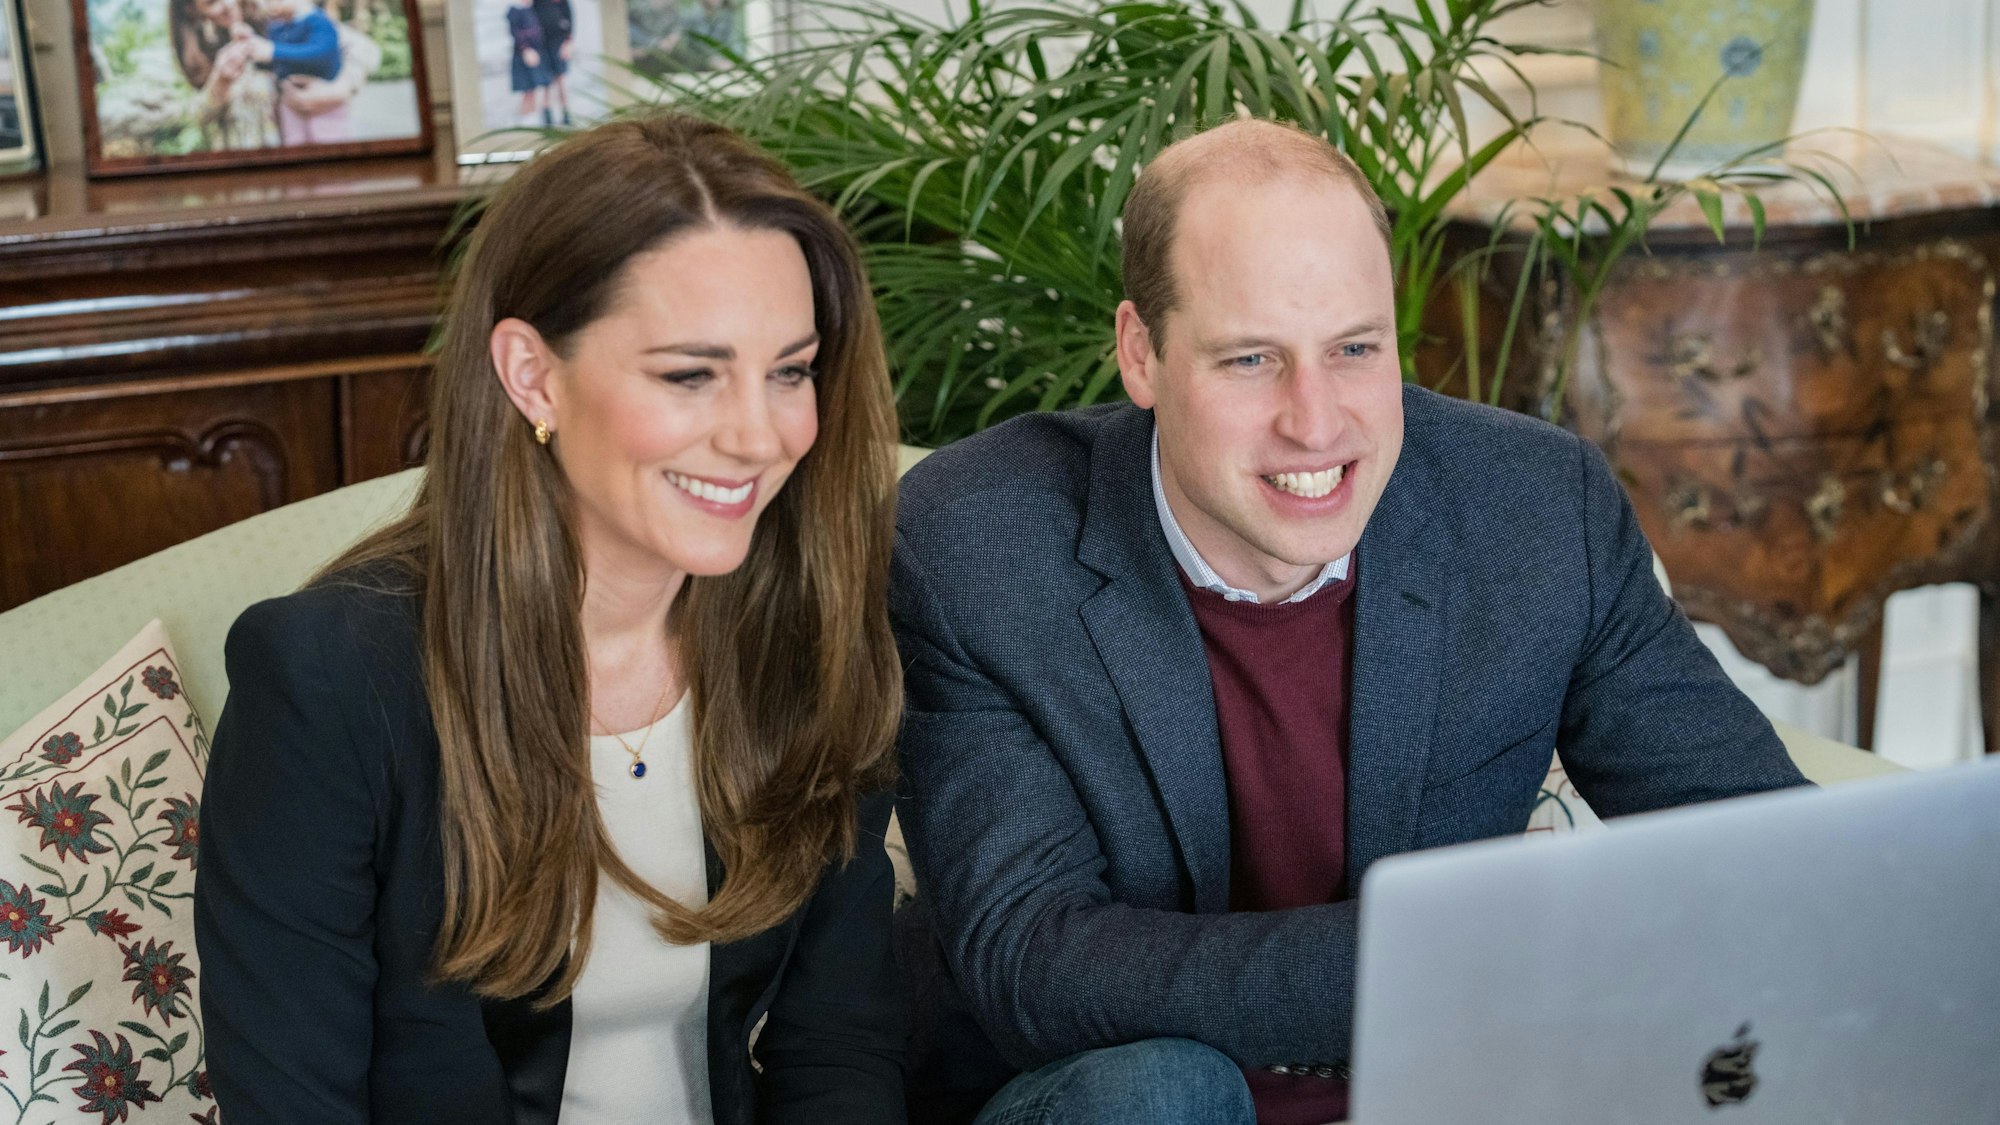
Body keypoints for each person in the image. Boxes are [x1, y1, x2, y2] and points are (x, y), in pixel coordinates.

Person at [890, 118, 1809, 1125]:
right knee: (1161, 1091)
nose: (1316, 421)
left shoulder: (1535, 510)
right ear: (1140, 355)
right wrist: (1463, 946)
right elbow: (1032, 967)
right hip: (1126, 1100)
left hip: (1443, 1090)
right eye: (1250, 361)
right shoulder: (980, 541)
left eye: (1354, 350)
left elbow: (1761, 850)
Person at [196, 114, 908, 1125]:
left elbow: (837, 1051)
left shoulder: (811, 635)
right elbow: (291, 1105)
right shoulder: (330, 681)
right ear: (532, 373)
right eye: (689, 374)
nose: (761, 435)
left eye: (789, 371)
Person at [168, 0, 373, 151]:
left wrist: (340, 89)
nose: (228, 3)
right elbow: (195, 117)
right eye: (212, 2)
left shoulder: (275, 14)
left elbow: (366, 49)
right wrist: (220, 82)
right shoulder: (198, 53)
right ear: (192, 9)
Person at [234, 0, 348, 144]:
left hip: (325, 108)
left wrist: (274, 50)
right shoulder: (278, 27)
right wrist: (251, 44)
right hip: (291, 105)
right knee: (294, 147)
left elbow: (322, 52)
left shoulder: (318, 21)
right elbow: (271, 60)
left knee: (328, 149)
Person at [508, 0, 552, 128]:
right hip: (524, 55)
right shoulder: (515, 10)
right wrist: (526, 49)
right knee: (527, 91)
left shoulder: (533, 9)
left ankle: (532, 119)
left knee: (533, 89)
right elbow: (516, 33)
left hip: (537, 52)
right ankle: (524, 121)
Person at [532, 0, 574, 126]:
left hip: (558, 44)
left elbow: (570, 21)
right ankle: (547, 114)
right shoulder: (538, 3)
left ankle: (565, 112)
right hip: (542, 45)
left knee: (560, 80)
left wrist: (567, 43)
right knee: (546, 82)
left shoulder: (563, 3)